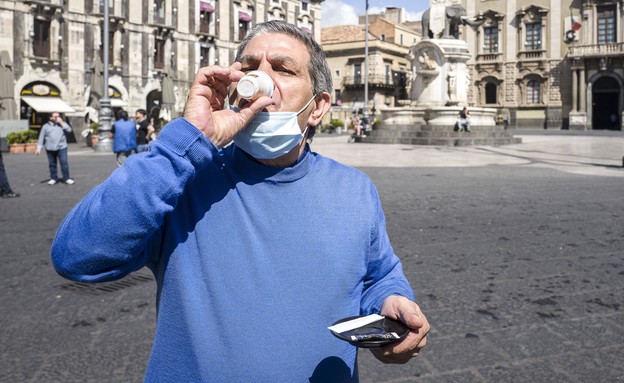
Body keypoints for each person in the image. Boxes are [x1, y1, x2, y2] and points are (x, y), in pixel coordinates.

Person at [51, 21, 429, 381]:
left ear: (318, 107)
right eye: (248, 67)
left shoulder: (354, 189)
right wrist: (186, 141)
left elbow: (378, 275)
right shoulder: (183, 180)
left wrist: (390, 301)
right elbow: (78, 255)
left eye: (282, 70)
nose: (259, 81)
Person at [36, 112, 74, 185]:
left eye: (58, 116)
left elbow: (69, 130)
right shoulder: (45, 126)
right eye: (55, 117)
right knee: (52, 164)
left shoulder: (62, 124)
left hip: (62, 147)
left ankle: (66, 178)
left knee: (64, 162)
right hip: (50, 147)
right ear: (51, 118)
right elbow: (41, 137)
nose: (58, 118)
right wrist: (39, 147)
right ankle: (53, 178)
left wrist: (62, 122)